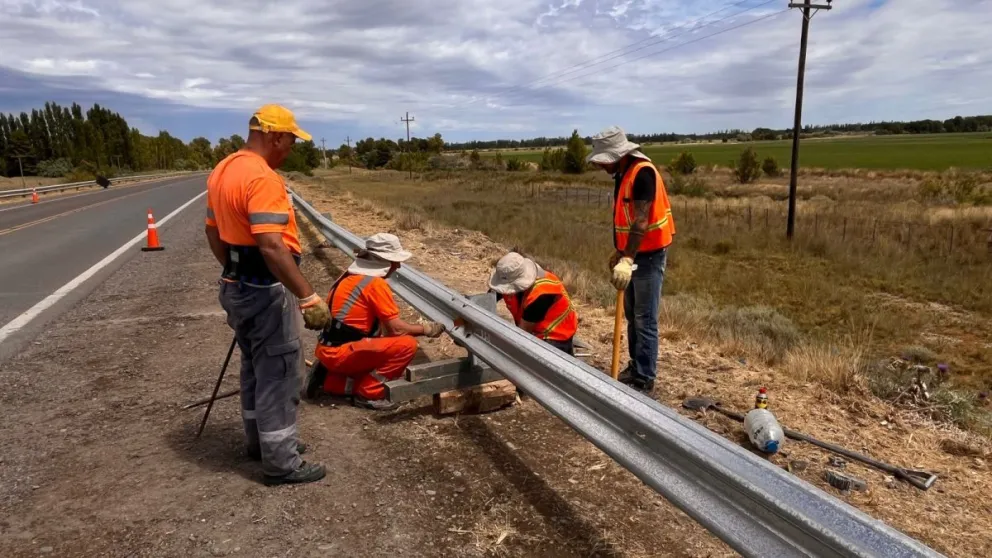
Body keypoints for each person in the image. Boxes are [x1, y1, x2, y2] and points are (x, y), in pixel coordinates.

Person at [204, 104, 330, 486]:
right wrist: (307, 296)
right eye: (290, 140)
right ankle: (281, 463)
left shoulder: (224, 170)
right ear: (274, 136)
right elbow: (272, 246)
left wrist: (236, 271)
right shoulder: (262, 178)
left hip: (235, 286)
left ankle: (261, 443)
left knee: (255, 367)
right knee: (279, 373)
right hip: (264, 290)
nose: (291, 148)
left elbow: (213, 232)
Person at [305, 233, 446, 411]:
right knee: (407, 345)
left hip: (329, 348)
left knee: (380, 342)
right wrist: (426, 329)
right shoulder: (375, 285)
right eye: (395, 261)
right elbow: (396, 330)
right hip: (342, 353)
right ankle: (369, 393)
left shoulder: (348, 276)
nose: (399, 266)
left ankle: (330, 381)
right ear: (385, 262)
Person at [586, 126, 675, 393]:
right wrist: (620, 251)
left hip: (649, 256)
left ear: (618, 154)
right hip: (633, 253)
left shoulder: (643, 172)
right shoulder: (622, 172)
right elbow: (625, 219)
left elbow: (640, 220)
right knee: (631, 316)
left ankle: (644, 378)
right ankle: (636, 367)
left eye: (604, 160)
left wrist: (628, 258)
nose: (602, 166)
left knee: (644, 318)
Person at [487, 251, 578, 355]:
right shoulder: (507, 276)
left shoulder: (541, 294)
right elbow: (488, 299)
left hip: (555, 336)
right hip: (532, 329)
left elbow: (523, 332)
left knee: (540, 367)